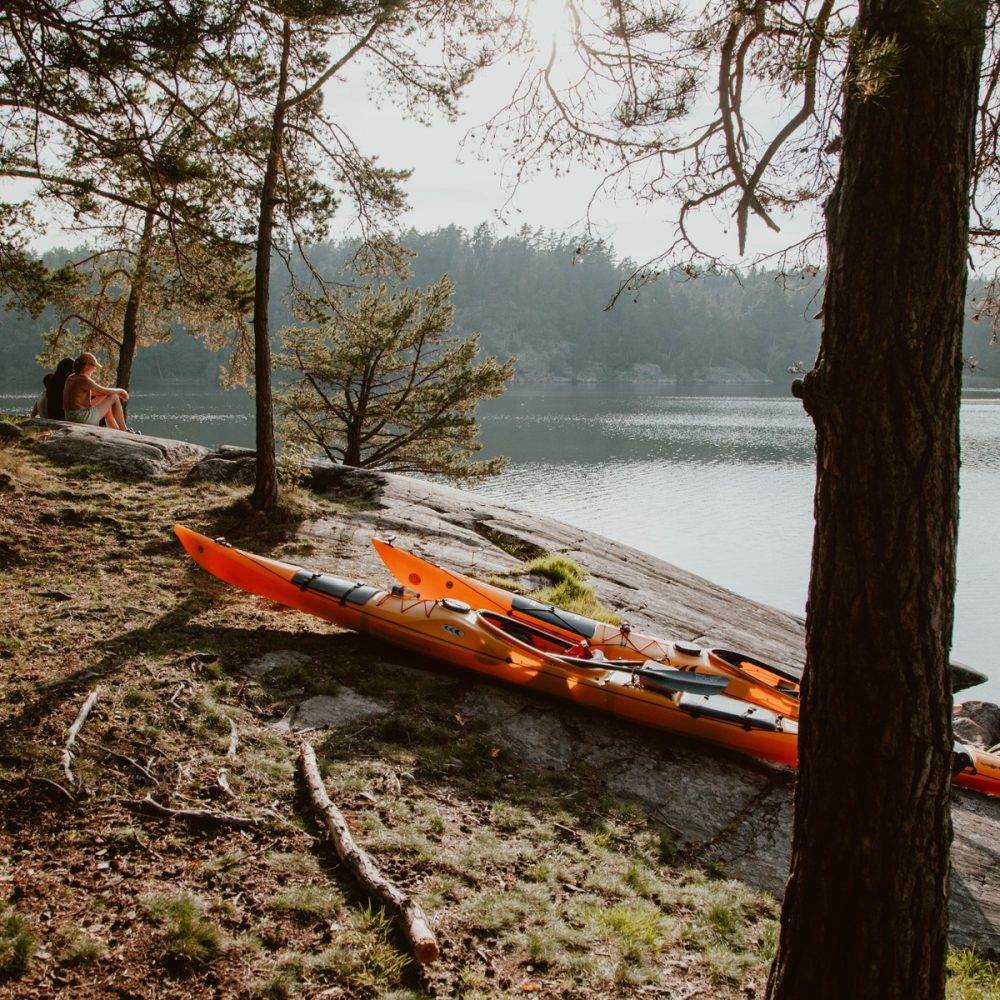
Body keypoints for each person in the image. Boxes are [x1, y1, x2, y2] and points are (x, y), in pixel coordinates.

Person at [62, 352, 131, 431]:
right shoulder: (84, 380)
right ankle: (124, 429)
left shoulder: (71, 377)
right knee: (114, 397)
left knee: (105, 397)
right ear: (87, 366)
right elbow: (106, 391)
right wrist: (121, 391)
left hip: (70, 416)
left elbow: (99, 393)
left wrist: (111, 393)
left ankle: (115, 428)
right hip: (81, 418)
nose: (95, 369)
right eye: (94, 366)